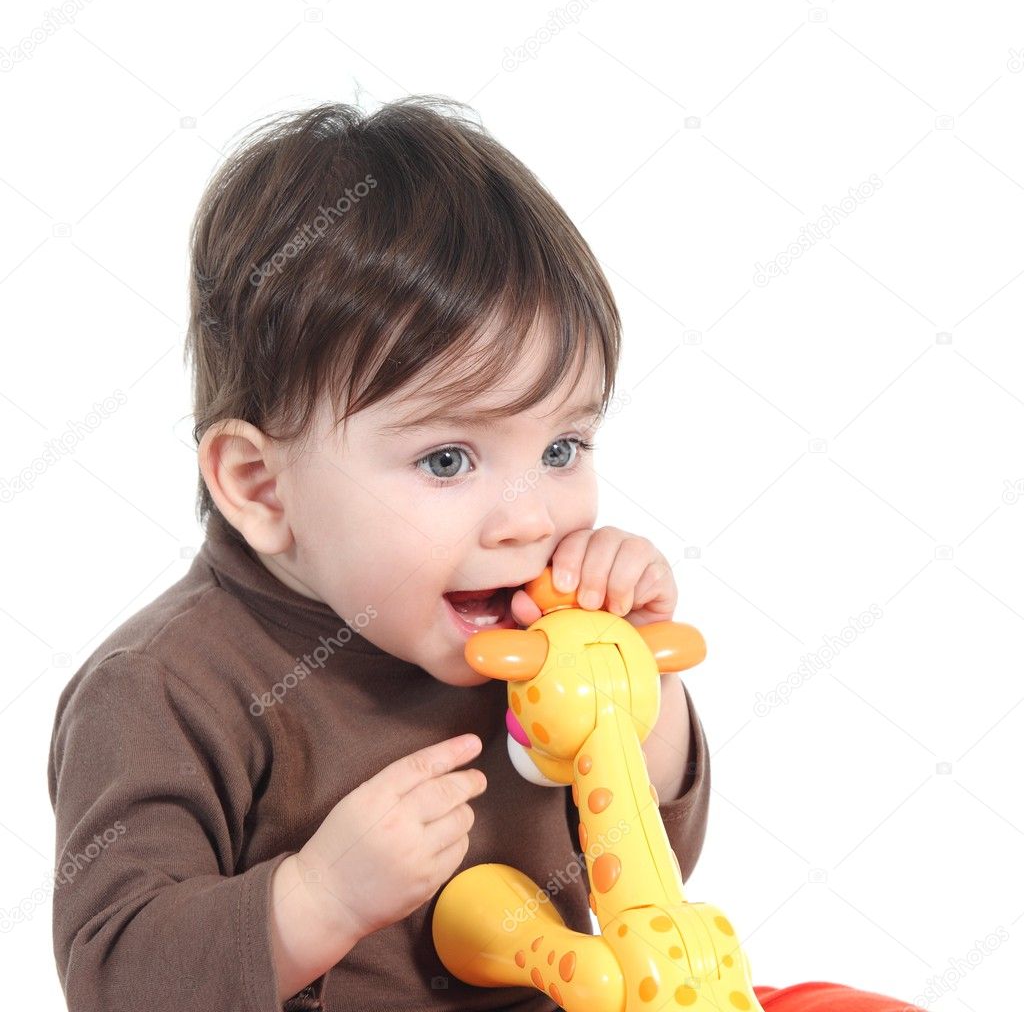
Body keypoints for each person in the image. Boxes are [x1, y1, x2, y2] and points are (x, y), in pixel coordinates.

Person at [48, 97, 923, 1012]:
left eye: (560, 449)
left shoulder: (533, 622)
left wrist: (637, 697)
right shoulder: (160, 689)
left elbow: (652, 873)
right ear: (262, 488)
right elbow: (118, 978)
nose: (528, 521)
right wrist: (315, 901)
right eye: (448, 460)